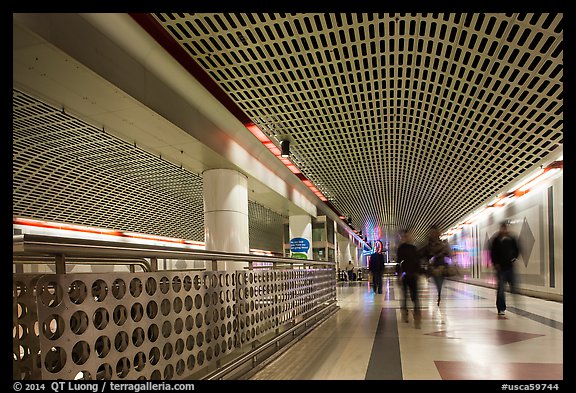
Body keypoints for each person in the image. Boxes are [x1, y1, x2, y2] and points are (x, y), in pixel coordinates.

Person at [489, 221, 521, 315]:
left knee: (514, 287)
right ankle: (501, 308)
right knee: (501, 289)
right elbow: (492, 253)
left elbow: (517, 250)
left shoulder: (512, 239)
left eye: (505, 228)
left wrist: (514, 258)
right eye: (503, 228)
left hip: (510, 266)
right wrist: (495, 263)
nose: (504, 230)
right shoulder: (496, 240)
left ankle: (517, 306)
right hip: (500, 268)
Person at [397, 229, 422, 328]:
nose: (406, 238)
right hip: (405, 275)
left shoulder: (414, 248)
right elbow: (399, 262)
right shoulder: (401, 248)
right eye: (405, 236)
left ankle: (417, 315)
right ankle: (405, 313)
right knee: (405, 295)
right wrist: (399, 274)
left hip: (413, 275)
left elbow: (417, 261)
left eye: (408, 236)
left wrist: (418, 273)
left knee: (414, 296)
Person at [421, 225, 451, 306]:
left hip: (441, 267)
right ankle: (439, 294)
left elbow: (447, 255)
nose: (433, 234)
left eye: (434, 232)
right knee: (438, 282)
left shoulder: (442, 244)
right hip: (433, 267)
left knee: (439, 283)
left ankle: (439, 295)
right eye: (431, 232)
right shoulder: (428, 246)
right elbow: (424, 256)